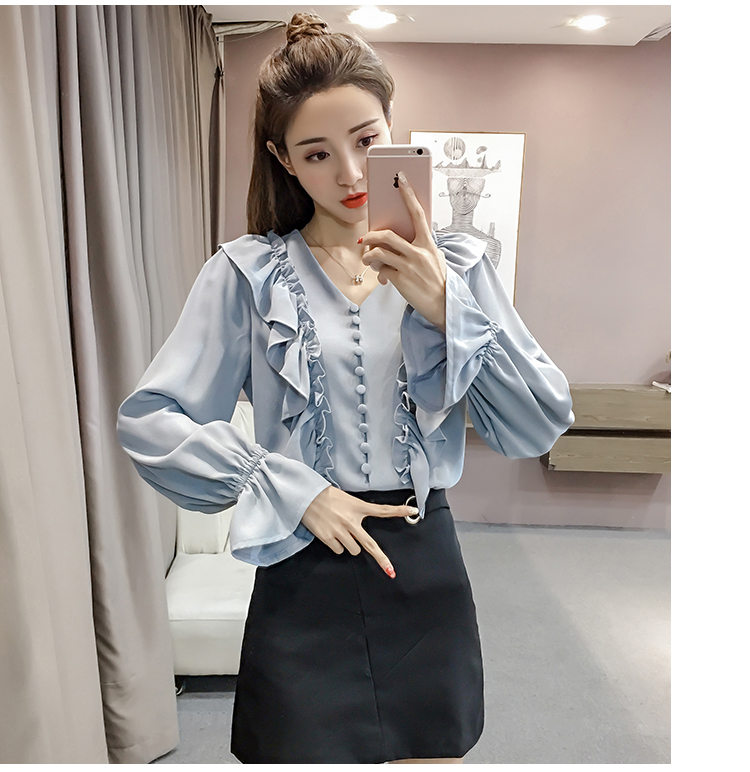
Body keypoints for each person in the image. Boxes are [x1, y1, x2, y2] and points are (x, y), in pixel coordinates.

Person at [117, 12, 575, 765]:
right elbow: (152, 419)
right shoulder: (245, 275)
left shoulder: (459, 267)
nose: (352, 174)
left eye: (366, 140)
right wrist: (285, 485)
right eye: (318, 153)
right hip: (303, 564)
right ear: (283, 159)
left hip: (423, 563)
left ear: (393, 126)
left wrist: (446, 309)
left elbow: (538, 422)